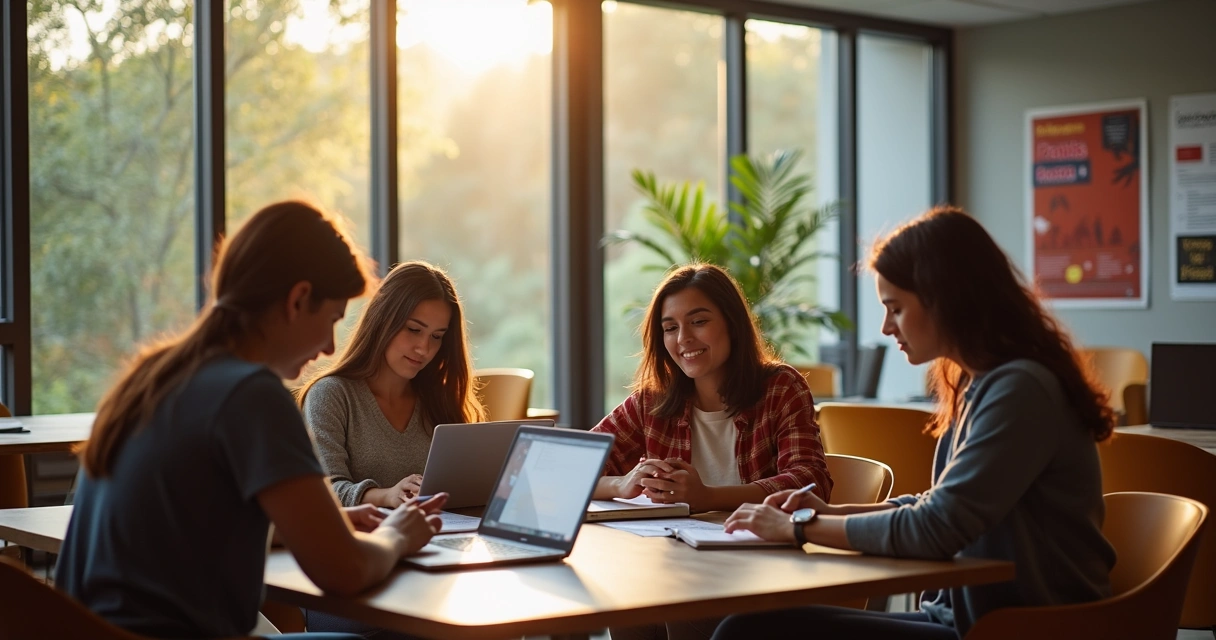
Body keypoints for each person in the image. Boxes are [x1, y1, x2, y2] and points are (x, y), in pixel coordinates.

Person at [716, 206, 1116, 639]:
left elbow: (937, 527)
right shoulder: (980, 383)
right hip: (965, 620)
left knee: (749, 633)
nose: (887, 327)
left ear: (946, 300)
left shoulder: (1020, 389)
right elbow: (932, 506)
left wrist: (800, 528)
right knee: (749, 628)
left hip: (1022, 628)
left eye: (896, 308)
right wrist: (829, 512)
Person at [55, 201, 448, 640]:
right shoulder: (250, 394)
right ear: (298, 300)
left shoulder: (153, 376)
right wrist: (397, 534)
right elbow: (346, 571)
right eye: (332, 320)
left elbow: (187, 529)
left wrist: (319, 526)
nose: (329, 347)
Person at [591, 263, 833, 640]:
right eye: (670, 328)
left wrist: (709, 498)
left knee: (682, 607)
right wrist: (620, 484)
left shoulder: (780, 388)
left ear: (732, 323)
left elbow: (810, 481)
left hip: (764, 570)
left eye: (698, 321)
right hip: (677, 564)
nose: (683, 338)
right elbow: (566, 471)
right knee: (629, 602)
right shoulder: (652, 401)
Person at [298, 260, 485, 510]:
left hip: (442, 537)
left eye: (436, 336)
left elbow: (468, 488)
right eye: (413, 329)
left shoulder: (439, 399)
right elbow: (325, 490)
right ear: (383, 320)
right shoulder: (332, 395)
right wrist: (385, 495)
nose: (424, 348)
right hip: (370, 542)